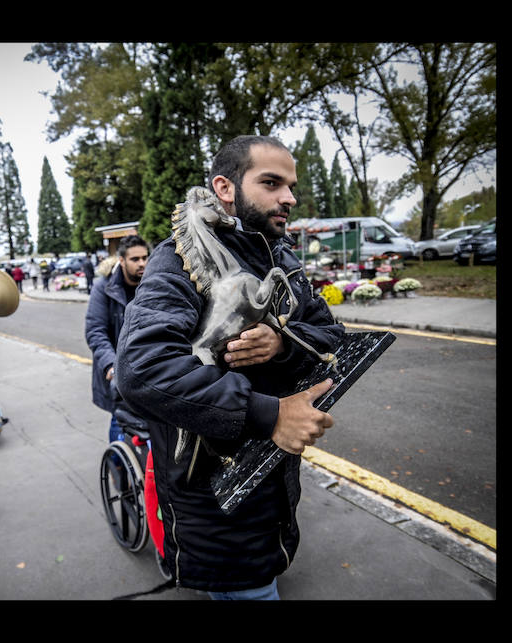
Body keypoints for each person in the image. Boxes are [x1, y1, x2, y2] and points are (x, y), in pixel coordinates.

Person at [115, 135, 344, 600]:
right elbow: (141, 369)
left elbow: (331, 334)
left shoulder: (282, 257)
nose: (289, 198)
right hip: (213, 497)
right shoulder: (178, 258)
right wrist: (271, 414)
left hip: (271, 488)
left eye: (291, 186)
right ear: (225, 187)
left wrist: (280, 344)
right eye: (271, 183)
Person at [85, 235, 149, 445]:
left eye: (145, 257)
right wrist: (112, 369)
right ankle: (117, 472)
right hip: (119, 371)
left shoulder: (153, 283)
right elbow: (95, 331)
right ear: (121, 260)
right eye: (135, 259)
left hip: (149, 368)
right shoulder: (103, 288)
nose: (142, 263)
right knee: (120, 424)